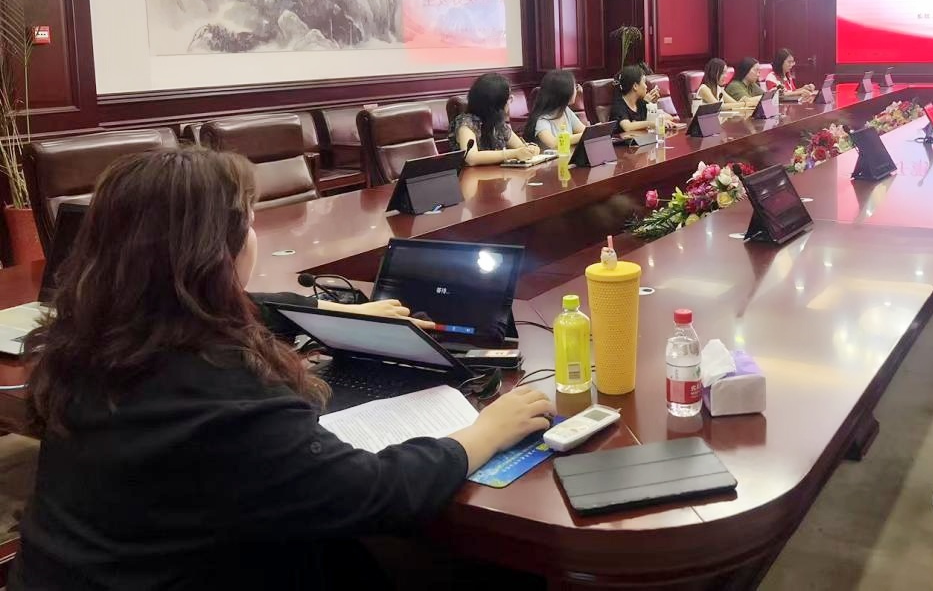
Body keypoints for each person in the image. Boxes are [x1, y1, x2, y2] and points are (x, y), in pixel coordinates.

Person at [13, 148, 553, 590]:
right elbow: (374, 491)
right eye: (248, 223)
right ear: (214, 254)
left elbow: (252, 306)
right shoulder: (222, 390)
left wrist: (332, 311)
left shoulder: (88, 339)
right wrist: (483, 434)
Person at [452, 72, 539, 165]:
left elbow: (519, 146)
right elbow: (471, 157)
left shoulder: (497, 122)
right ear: (496, 102)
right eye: (508, 98)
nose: (510, 101)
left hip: (498, 172)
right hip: (472, 174)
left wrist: (530, 149)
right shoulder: (466, 122)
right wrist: (513, 153)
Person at [523, 69, 587, 149]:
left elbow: (584, 131)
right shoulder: (542, 119)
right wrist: (584, 135)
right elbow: (552, 142)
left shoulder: (566, 111)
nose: (577, 90)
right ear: (564, 92)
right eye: (575, 87)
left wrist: (593, 131)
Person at [611, 64, 681, 134]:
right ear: (635, 86)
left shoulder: (641, 102)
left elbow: (669, 117)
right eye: (644, 82)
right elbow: (627, 127)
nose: (646, 86)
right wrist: (652, 123)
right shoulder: (619, 105)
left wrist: (652, 105)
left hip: (642, 139)